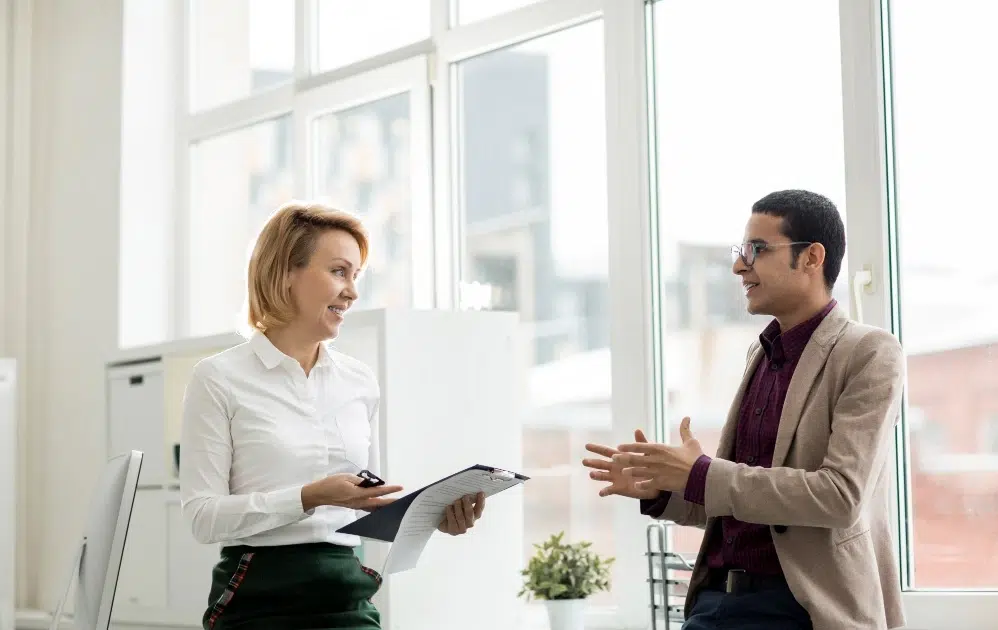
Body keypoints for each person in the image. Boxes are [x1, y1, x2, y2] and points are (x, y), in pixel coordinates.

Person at [583, 190, 906, 630]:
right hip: (714, 602)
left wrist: (699, 474)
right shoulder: (761, 351)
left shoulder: (869, 353)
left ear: (812, 257)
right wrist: (665, 489)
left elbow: (839, 497)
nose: (739, 266)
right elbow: (741, 500)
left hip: (799, 610)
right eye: (740, 251)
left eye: (756, 250)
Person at [180, 202, 486, 630]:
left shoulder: (358, 381)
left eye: (356, 276)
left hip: (346, 592)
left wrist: (434, 517)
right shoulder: (218, 378)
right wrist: (310, 496)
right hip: (257, 596)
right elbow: (202, 517)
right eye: (339, 272)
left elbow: (368, 508)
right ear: (286, 272)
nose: (352, 291)